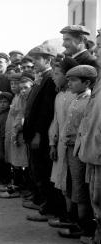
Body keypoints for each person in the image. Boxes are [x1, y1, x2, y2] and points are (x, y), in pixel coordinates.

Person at [22, 44, 62, 222]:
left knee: (43, 171)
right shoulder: (41, 78)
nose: (33, 63)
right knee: (36, 169)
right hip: (34, 133)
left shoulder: (49, 79)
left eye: (37, 59)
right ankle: (41, 201)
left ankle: (49, 208)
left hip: (42, 135)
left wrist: (38, 134)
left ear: (48, 60)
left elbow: (45, 111)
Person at [57, 65, 95, 240]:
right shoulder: (76, 99)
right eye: (69, 80)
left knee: (81, 188)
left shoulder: (89, 101)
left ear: (86, 82)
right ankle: (74, 220)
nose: (69, 83)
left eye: (73, 80)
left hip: (80, 150)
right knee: (72, 184)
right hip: (70, 148)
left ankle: (84, 226)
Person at [74, 32, 101, 243]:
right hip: (93, 152)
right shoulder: (98, 82)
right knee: (96, 200)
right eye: (98, 47)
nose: (97, 52)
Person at [48, 57, 79, 228]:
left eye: (57, 73)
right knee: (61, 180)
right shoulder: (59, 96)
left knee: (70, 181)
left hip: (71, 146)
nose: (53, 76)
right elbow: (56, 122)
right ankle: (65, 215)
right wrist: (52, 143)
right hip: (60, 145)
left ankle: (72, 219)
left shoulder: (75, 97)